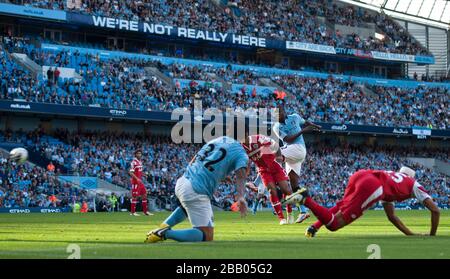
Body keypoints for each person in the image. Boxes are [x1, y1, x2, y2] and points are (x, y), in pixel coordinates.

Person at [145, 136, 249, 243]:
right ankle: (164, 233)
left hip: (183, 181)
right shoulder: (240, 152)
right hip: (196, 190)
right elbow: (241, 175)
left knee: (187, 208)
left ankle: (160, 228)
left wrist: (218, 175)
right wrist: (241, 196)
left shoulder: (216, 140)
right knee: (206, 235)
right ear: (245, 134)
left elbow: (194, 160)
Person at [283, 167, 440, 237]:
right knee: (334, 225)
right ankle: (306, 200)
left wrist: (409, 234)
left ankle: (314, 226)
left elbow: (391, 216)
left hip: (361, 174)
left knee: (341, 205)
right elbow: (435, 210)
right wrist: (432, 235)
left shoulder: (392, 178)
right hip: (373, 186)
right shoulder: (414, 184)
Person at [272, 103, 321, 223]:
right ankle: (303, 211)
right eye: (275, 114)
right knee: (294, 184)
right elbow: (287, 139)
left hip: (298, 149)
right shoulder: (277, 127)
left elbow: (305, 122)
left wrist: (315, 126)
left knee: (273, 155)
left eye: (279, 112)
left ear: (284, 111)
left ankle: (263, 183)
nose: (278, 115)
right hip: (292, 154)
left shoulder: (294, 117)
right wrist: (303, 131)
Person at [242, 134, 293, 224]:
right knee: (271, 191)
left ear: (246, 133)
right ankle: (281, 218)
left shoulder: (257, 138)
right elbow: (246, 161)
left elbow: (275, 145)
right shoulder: (241, 147)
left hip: (274, 165)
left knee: (286, 189)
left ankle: (290, 213)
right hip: (263, 170)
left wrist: (279, 157)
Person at [129, 149, 153, 216]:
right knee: (135, 196)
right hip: (135, 182)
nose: (139, 155)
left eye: (140, 153)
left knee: (145, 194)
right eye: (138, 153)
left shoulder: (140, 162)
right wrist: (137, 178)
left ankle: (145, 212)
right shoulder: (133, 162)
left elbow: (139, 171)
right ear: (135, 154)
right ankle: (133, 212)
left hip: (140, 181)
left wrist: (144, 174)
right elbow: (131, 172)